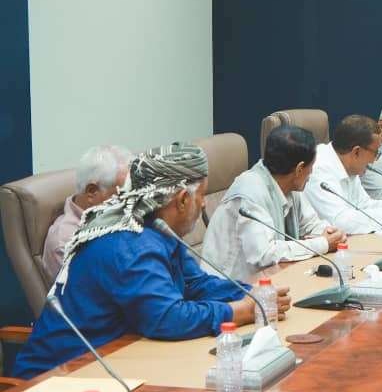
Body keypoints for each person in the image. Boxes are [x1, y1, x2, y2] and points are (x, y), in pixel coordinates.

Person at [14, 143, 286, 380]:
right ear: (182, 200)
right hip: (59, 376)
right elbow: (167, 318)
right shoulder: (130, 243)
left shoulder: (155, 229)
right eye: (201, 195)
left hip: (115, 359)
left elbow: (196, 284)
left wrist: (252, 294)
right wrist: (240, 311)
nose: (204, 204)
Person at [202, 125, 346, 281]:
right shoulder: (251, 192)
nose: (311, 174)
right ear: (299, 169)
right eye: (311, 168)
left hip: (269, 280)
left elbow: (310, 224)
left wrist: (331, 234)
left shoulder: (289, 186)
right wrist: (322, 244)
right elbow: (264, 254)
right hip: (229, 287)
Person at [304, 115, 382, 234]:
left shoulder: (349, 165)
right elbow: (340, 223)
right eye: (376, 153)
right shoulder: (319, 168)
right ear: (356, 152)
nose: (374, 160)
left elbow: (363, 205)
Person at [42, 145, 133, 282]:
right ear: (92, 192)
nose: (131, 202)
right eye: (123, 195)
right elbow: (101, 291)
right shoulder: (66, 242)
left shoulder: (114, 217)